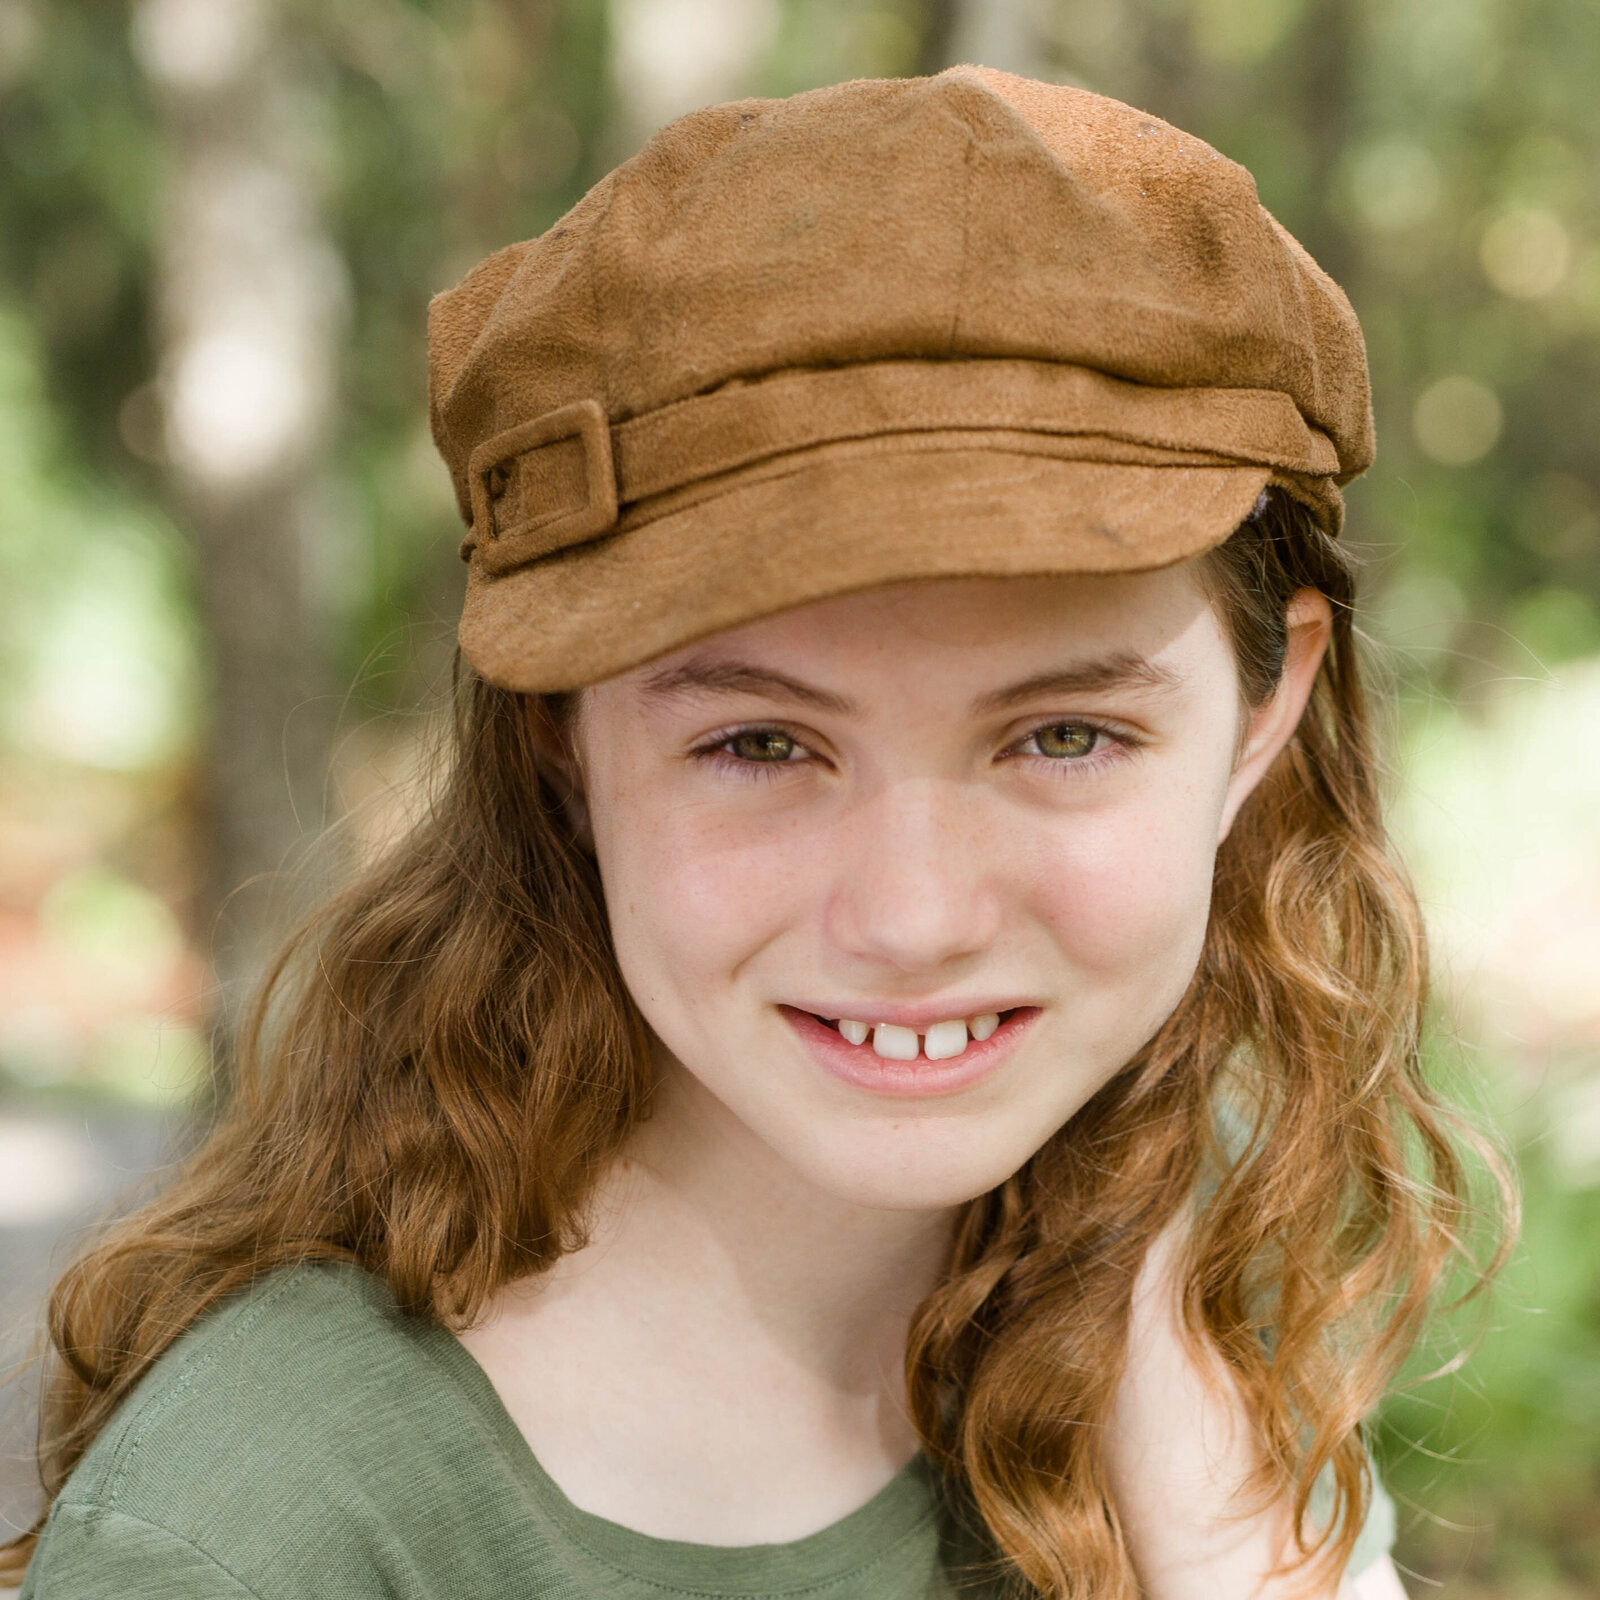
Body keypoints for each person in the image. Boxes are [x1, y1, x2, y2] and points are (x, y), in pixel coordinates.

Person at [4, 65, 1504, 1600]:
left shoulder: (1173, 1277)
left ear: (1267, 710)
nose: (914, 919)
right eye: (761, 744)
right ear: (563, 743)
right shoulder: (269, 1534)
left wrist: (1237, 1554)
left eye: (1064, 736)